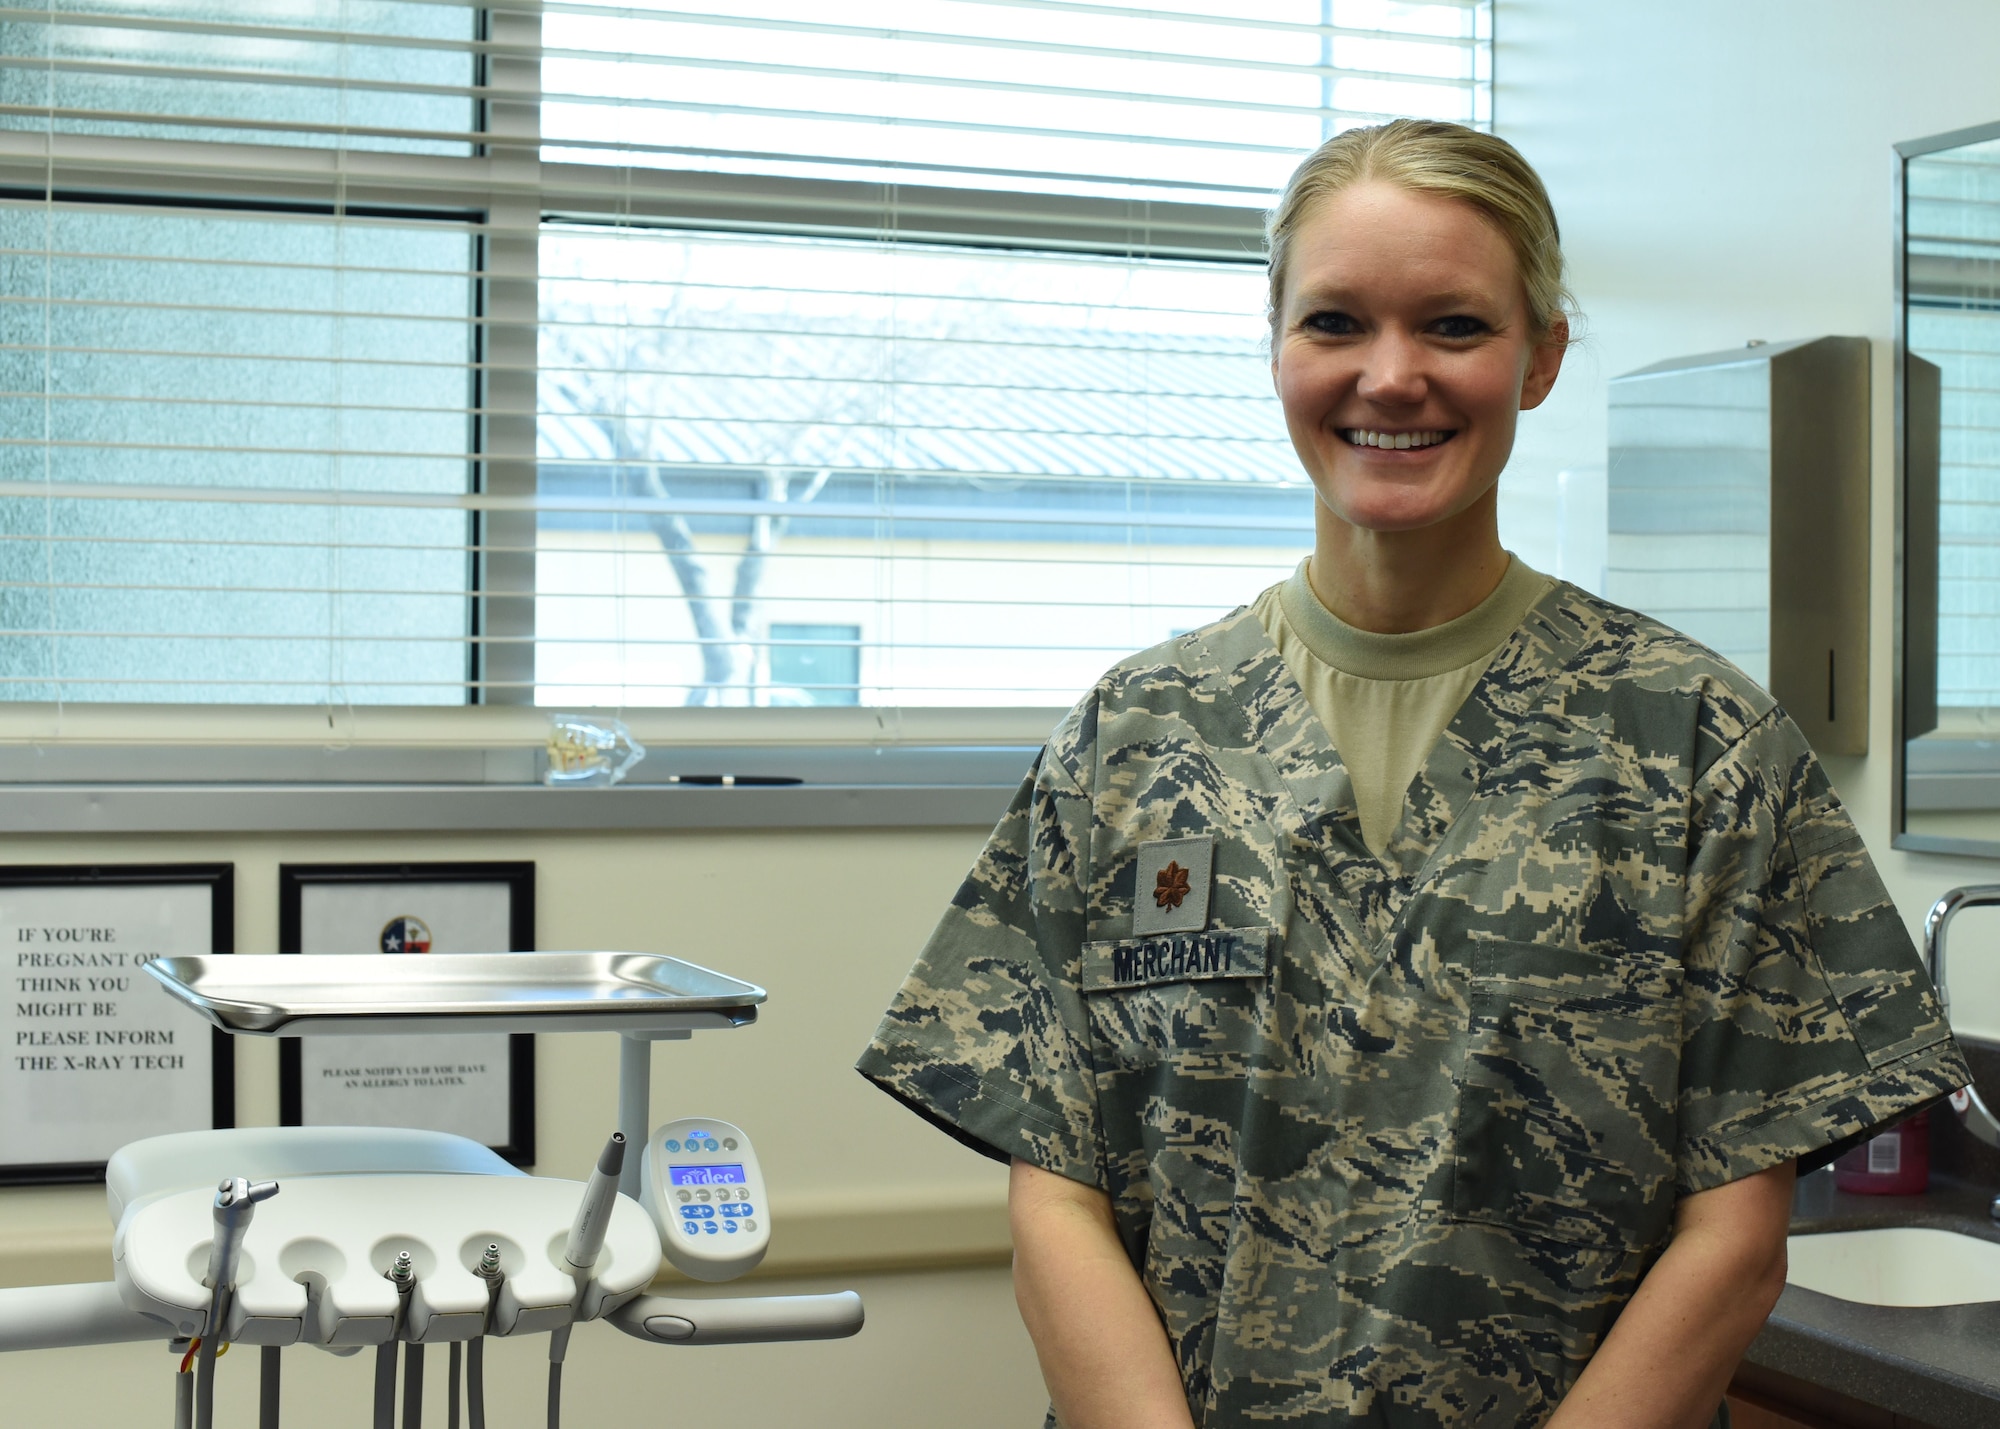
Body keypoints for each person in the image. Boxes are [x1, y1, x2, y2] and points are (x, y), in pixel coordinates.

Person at [855, 119, 1968, 1429]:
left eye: (1453, 326)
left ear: (1541, 355)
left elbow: (1736, 1232)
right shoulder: (1138, 737)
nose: (1392, 378)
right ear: (1274, 344)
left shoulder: (1700, 742)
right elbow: (1059, 1184)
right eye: (1335, 322)